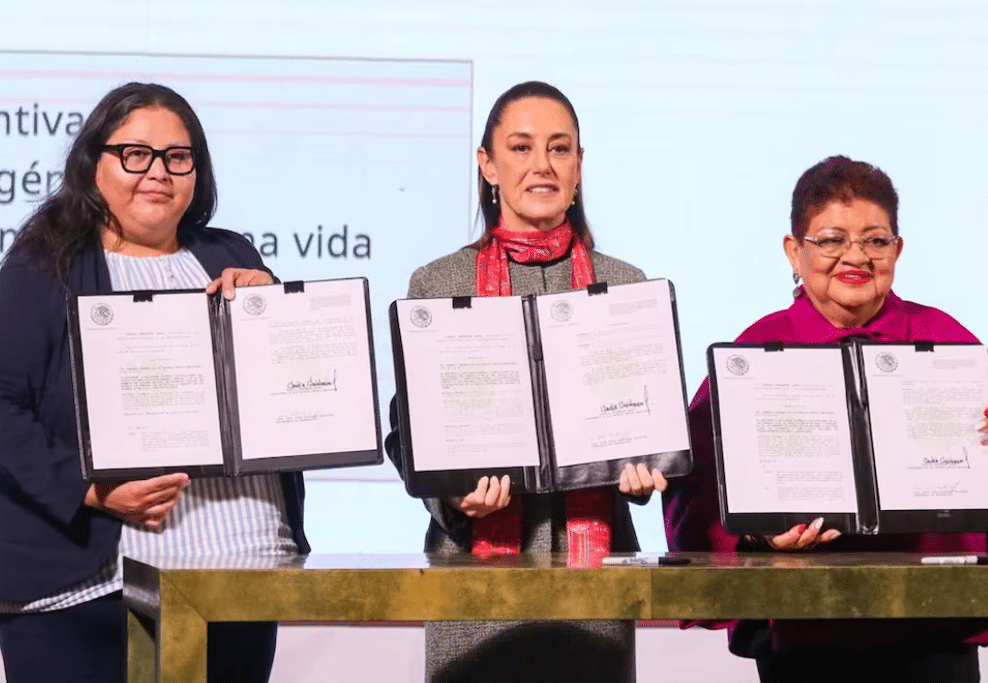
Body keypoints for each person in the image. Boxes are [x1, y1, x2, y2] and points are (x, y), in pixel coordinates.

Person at [663, 154, 988, 683]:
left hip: (930, 620)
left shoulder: (947, 342)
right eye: (832, 239)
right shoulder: (756, 351)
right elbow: (695, 486)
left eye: (875, 240)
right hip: (801, 621)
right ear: (794, 251)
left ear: (897, 249)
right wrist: (759, 538)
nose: (856, 256)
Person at [0, 82, 309, 683]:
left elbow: (291, 394)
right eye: (135, 154)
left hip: (238, 582)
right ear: (93, 165)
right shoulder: (43, 264)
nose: (158, 172)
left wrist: (278, 315)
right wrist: (90, 490)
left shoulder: (232, 255)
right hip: (83, 592)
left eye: (177, 156)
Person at [385, 80, 666, 683]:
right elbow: (406, 429)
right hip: (472, 585)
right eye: (521, 147)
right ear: (487, 165)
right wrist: (452, 494)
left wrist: (645, 467)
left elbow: (645, 423)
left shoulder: (625, 284)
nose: (542, 164)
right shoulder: (439, 283)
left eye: (559, 148)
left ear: (579, 166)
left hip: (595, 593)